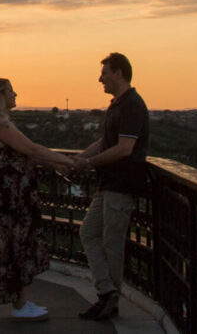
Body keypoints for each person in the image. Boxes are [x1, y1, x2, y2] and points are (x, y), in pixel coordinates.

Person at [0, 77, 75, 322]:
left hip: (10, 191)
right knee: (17, 241)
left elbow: (26, 154)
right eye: (11, 91)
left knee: (14, 241)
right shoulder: (0, 123)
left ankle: (20, 300)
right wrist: (69, 161)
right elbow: (31, 149)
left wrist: (54, 164)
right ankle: (20, 305)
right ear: (0, 94)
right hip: (13, 194)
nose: (15, 95)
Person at [73, 52, 149, 320]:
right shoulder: (116, 105)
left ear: (118, 73)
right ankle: (107, 292)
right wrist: (80, 158)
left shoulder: (132, 106)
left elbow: (124, 148)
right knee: (89, 233)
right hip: (108, 184)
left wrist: (90, 163)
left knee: (112, 243)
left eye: (104, 73)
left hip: (122, 184)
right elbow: (106, 143)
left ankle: (109, 300)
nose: (100, 78)